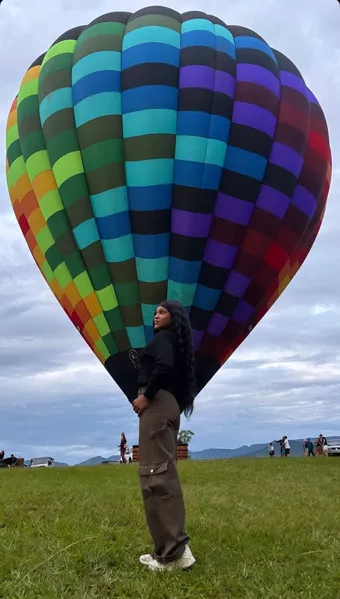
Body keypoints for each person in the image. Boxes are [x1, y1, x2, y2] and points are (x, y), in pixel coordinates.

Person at [132, 300, 196, 571]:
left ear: (175, 317)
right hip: (163, 406)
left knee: (158, 475)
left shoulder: (165, 341)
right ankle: (165, 551)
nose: (155, 316)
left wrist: (146, 396)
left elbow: (164, 368)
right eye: (155, 312)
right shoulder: (172, 342)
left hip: (157, 405)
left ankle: (175, 554)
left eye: (162, 312)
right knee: (153, 476)